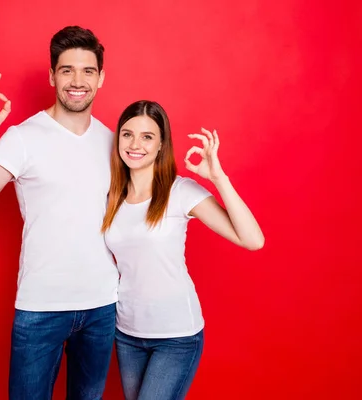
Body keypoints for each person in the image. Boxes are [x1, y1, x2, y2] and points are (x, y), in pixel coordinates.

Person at [0, 26, 119, 400]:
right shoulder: (23, 137)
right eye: (67, 70)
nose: (77, 81)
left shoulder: (113, 141)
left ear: (101, 77)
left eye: (88, 71)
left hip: (103, 306)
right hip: (41, 307)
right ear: (52, 75)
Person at [101, 100, 265, 400]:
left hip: (175, 335)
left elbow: (253, 240)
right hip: (126, 332)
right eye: (127, 134)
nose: (135, 144)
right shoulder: (112, 196)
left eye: (147, 136)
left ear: (161, 144)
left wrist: (218, 177)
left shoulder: (179, 192)